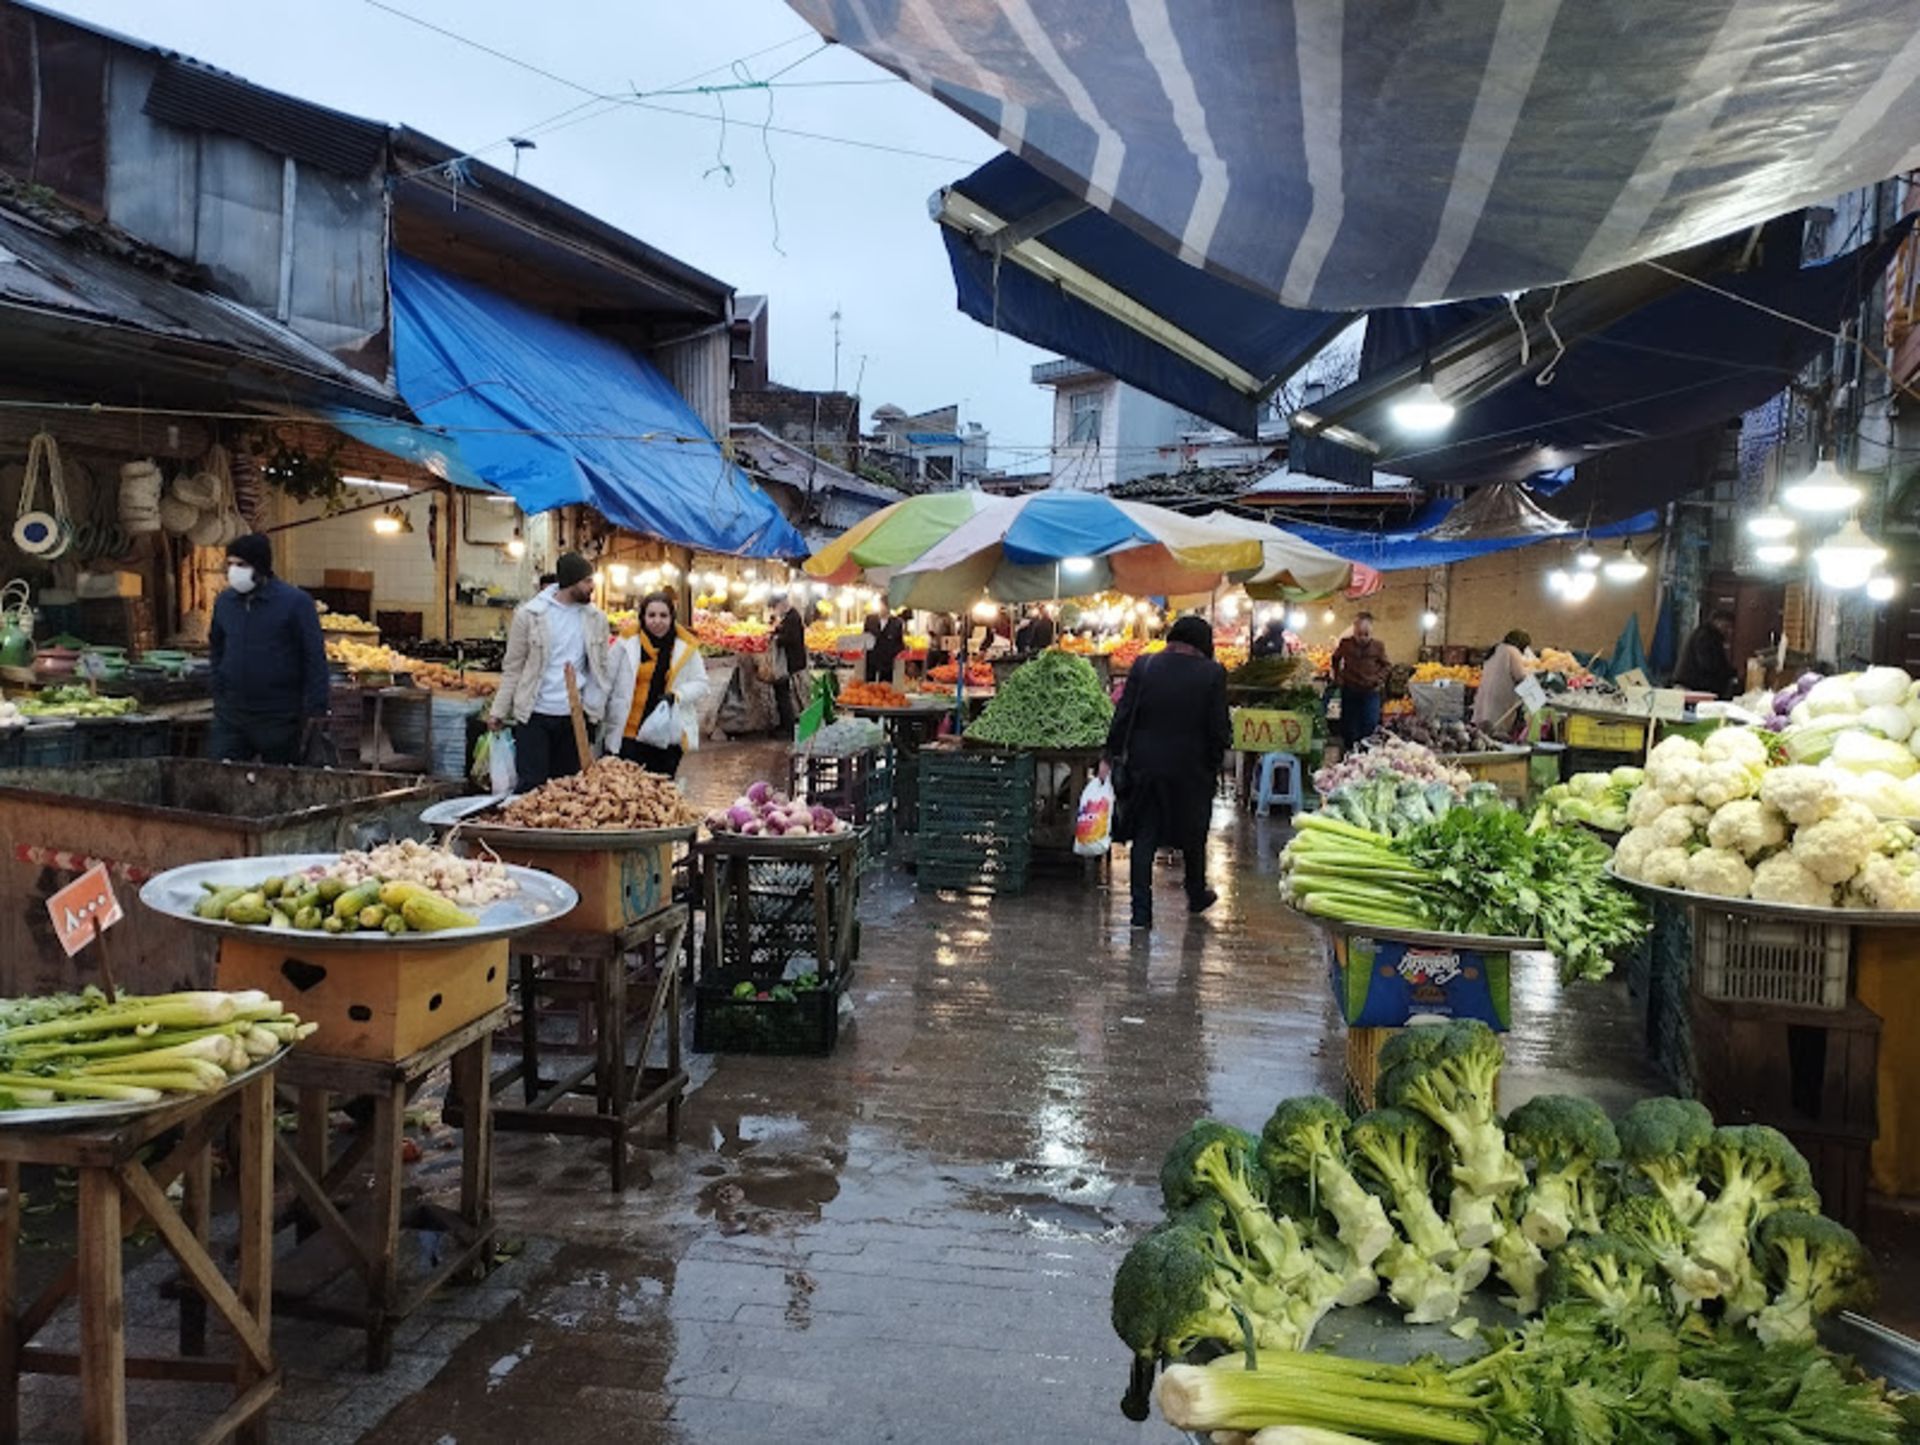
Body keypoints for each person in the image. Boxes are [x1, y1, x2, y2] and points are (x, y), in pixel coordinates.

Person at [1104, 614, 1231, 931]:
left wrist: (1110, 754)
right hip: (1192, 767)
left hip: (1145, 764)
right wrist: (1214, 762)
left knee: (1144, 836)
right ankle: (1195, 893)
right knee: (1193, 832)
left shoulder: (1144, 665)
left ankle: (1140, 913)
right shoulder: (1212, 673)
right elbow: (1218, 728)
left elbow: (1123, 715)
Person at [488, 551, 610, 789]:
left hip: (574, 716)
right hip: (535, 714)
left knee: (568, 787)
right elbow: (513, 667)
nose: (592, 587)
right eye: (586, 581)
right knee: (532, 785)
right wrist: (499, 710)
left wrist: (597, 711)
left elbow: (601, 667)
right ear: (571, 582)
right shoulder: (530, 615)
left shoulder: (596, 619)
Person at [206, 532, 329, 765]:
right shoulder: (225, 603)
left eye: (241, 565)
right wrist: (218, 683)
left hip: (279, 715)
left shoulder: (295, 603)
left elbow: (313, 656)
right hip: (231, 714)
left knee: (280, 781)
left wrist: (316, 706)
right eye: (230, 564)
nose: (234, 571)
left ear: (260, 566)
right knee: (223, 778)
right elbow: (217, 645)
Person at [603, 592, 708, 777]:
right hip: (628, 733)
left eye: (663, 616)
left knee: (660, 796)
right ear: (642, 617)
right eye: (651, 615)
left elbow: (701, 684)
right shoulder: (625, 644)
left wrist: (677, 696)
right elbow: (606, 680)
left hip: (666, 737)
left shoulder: (685, 647)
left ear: (672, 617)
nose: (657, 621)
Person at [1331, 611, 1390, 748]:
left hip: (1370, 691)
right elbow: (1335, 658)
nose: (1362, 638)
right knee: (1348, 725)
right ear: (1354, 631)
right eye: (1359, 634)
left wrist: (1378, 678)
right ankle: (1349, 753)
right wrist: (1338, 676)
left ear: (1371, 632)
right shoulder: (1346, 644)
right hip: (1350, 689)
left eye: (1366, 634)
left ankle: (1366, 752)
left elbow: (1387, 666)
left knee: (1370, 722)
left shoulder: (1378, 646)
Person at [1472, 629, 1533, 736]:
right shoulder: (1512, 651)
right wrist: (1537, 700)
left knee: (1483, 730)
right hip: (1500, 698)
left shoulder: (1496, 649)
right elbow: (1521, 676)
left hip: (1485, 696)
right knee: (1497, 731)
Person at [1675, 608, 1738, 698]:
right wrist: (1729, 673)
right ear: (1716, 622)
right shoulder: (1706, 637)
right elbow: (1709, 664)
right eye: (1727, 626)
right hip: (1693, 686)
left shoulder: (1708, 635)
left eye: (1731, 627)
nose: (1729, 631)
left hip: (1693, 685)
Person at [770, 593, 808, 732]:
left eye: (776, 606)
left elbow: (791, 638)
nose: (776, 610)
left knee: (784, 694)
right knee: (783, 693)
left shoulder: (792, 617)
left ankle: (788, 726)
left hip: (791, 662)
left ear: (782, 604)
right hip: (790, 662)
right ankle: (787, 724)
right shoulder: (790, 616)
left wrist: (776, 639)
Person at [864, 601, 906, 682]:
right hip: (872, 659)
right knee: (869, 685)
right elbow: (865, 637)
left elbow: (899, 643)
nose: (882, 609)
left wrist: (896, 656)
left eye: (885, 606)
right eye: (881, 606)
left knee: (885, 687)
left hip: (887, 661)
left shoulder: (897, 623)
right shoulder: (870, 619)